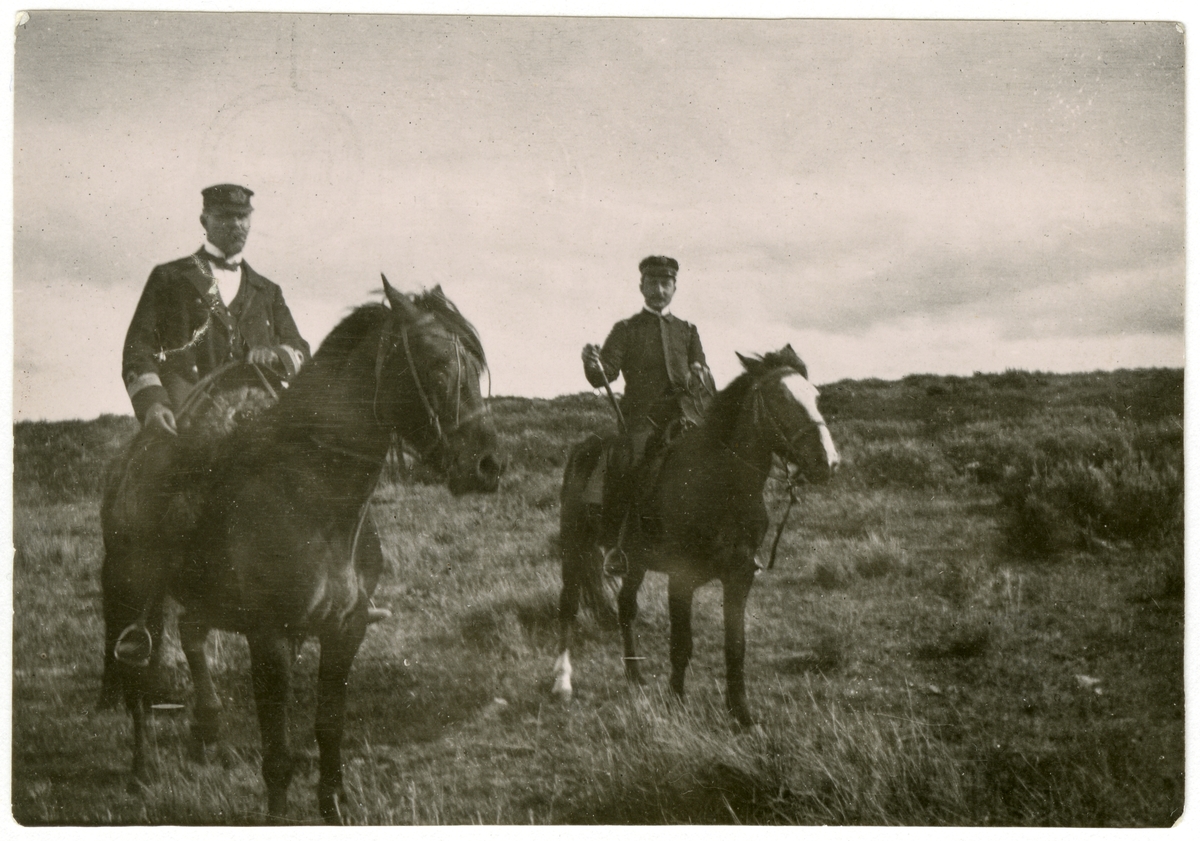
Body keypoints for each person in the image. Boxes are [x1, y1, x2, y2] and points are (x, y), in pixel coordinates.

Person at [122, 183, 310, 435]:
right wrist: (152, 404)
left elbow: (300, 349)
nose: (236, 224)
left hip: (260, 421)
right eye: (224, 216)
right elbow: (138, 348)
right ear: (204, 220)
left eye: (242, 216)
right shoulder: (169, 278)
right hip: (188, 418)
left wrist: (276, 354)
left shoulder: (268, 291)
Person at [581, 255, 713, 573]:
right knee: (628, 462)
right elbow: (605, 375)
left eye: (665, 283)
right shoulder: (626, 330)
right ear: (641, 286)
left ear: (675, 287)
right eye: (652, 283)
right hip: (643, 418)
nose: (659, 289)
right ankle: (615, 546)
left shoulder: (688, 331)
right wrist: (592, 363)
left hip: (686, 415)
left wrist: (700, 373)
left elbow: (702, 370)